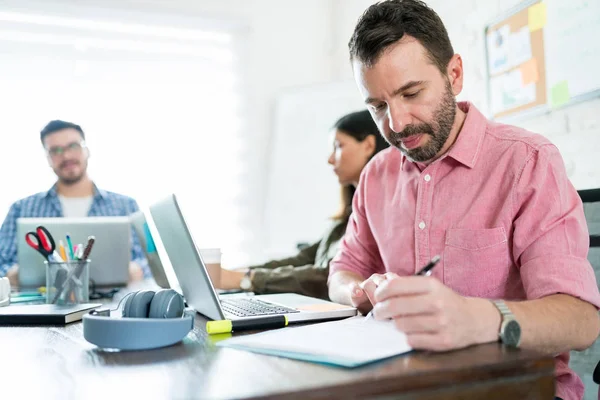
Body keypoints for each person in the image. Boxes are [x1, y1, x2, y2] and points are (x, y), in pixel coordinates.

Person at [327, 2, 600, 400]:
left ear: (454, 75)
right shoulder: (376, 176)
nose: (398, 124)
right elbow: (341, 273)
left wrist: (478, 318)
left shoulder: (526, 162)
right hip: (408, 385)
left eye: (411, 92)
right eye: (379, 107)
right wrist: (359, 289)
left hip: (516, 391)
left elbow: (581, 322)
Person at [218, 110, 389, 299]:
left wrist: (248, 279)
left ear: (368, 146)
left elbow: (328, 276)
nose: (330, 159)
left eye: (338, 146)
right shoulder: (349, 214)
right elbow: (306, 258)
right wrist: (243, 272)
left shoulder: (383, 211)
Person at [0, 120, 149, 286]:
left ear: (87, 150)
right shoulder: (21, 209)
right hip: (42, 306)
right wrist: (12, 275)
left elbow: (149, 263)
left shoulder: (126, 206)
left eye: (73, 146)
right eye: (56, 150)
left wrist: (136, 270)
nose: (66, 156)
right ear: (48, 158)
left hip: (112, 305)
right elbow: (1, 263)